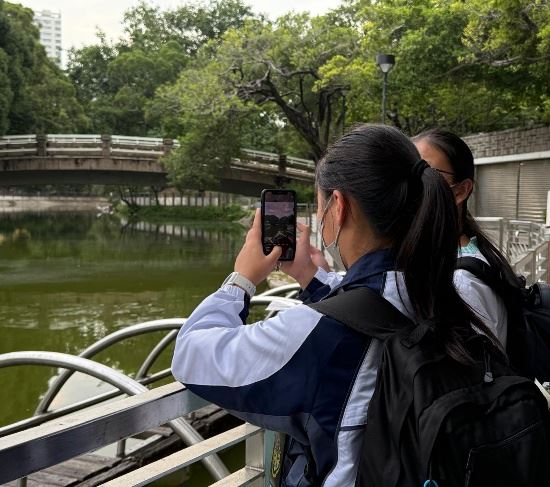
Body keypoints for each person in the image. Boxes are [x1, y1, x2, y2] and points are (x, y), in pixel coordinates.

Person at [171, 124, 496, 487]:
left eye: (321, 206)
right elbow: (369, 306)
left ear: (338, 207)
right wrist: (310, 277)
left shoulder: (318, 333)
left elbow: (191, 353)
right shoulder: (446, 290)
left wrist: (242, 279)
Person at [413, 129, 519, 347]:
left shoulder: (462, 282)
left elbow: (475, 366)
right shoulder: (443, 259)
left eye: (425, 175)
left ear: (461, 191)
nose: (410, 187)